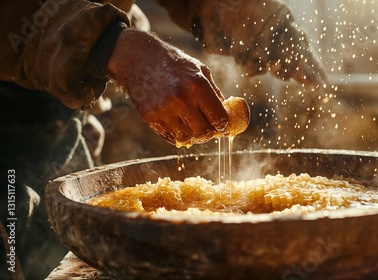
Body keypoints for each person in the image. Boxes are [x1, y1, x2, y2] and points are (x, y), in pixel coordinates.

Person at [0, 0, 326, 279]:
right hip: (11, 99)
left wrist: (259, 22)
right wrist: (119, 48)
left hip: (62, 98)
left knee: (57, 254)